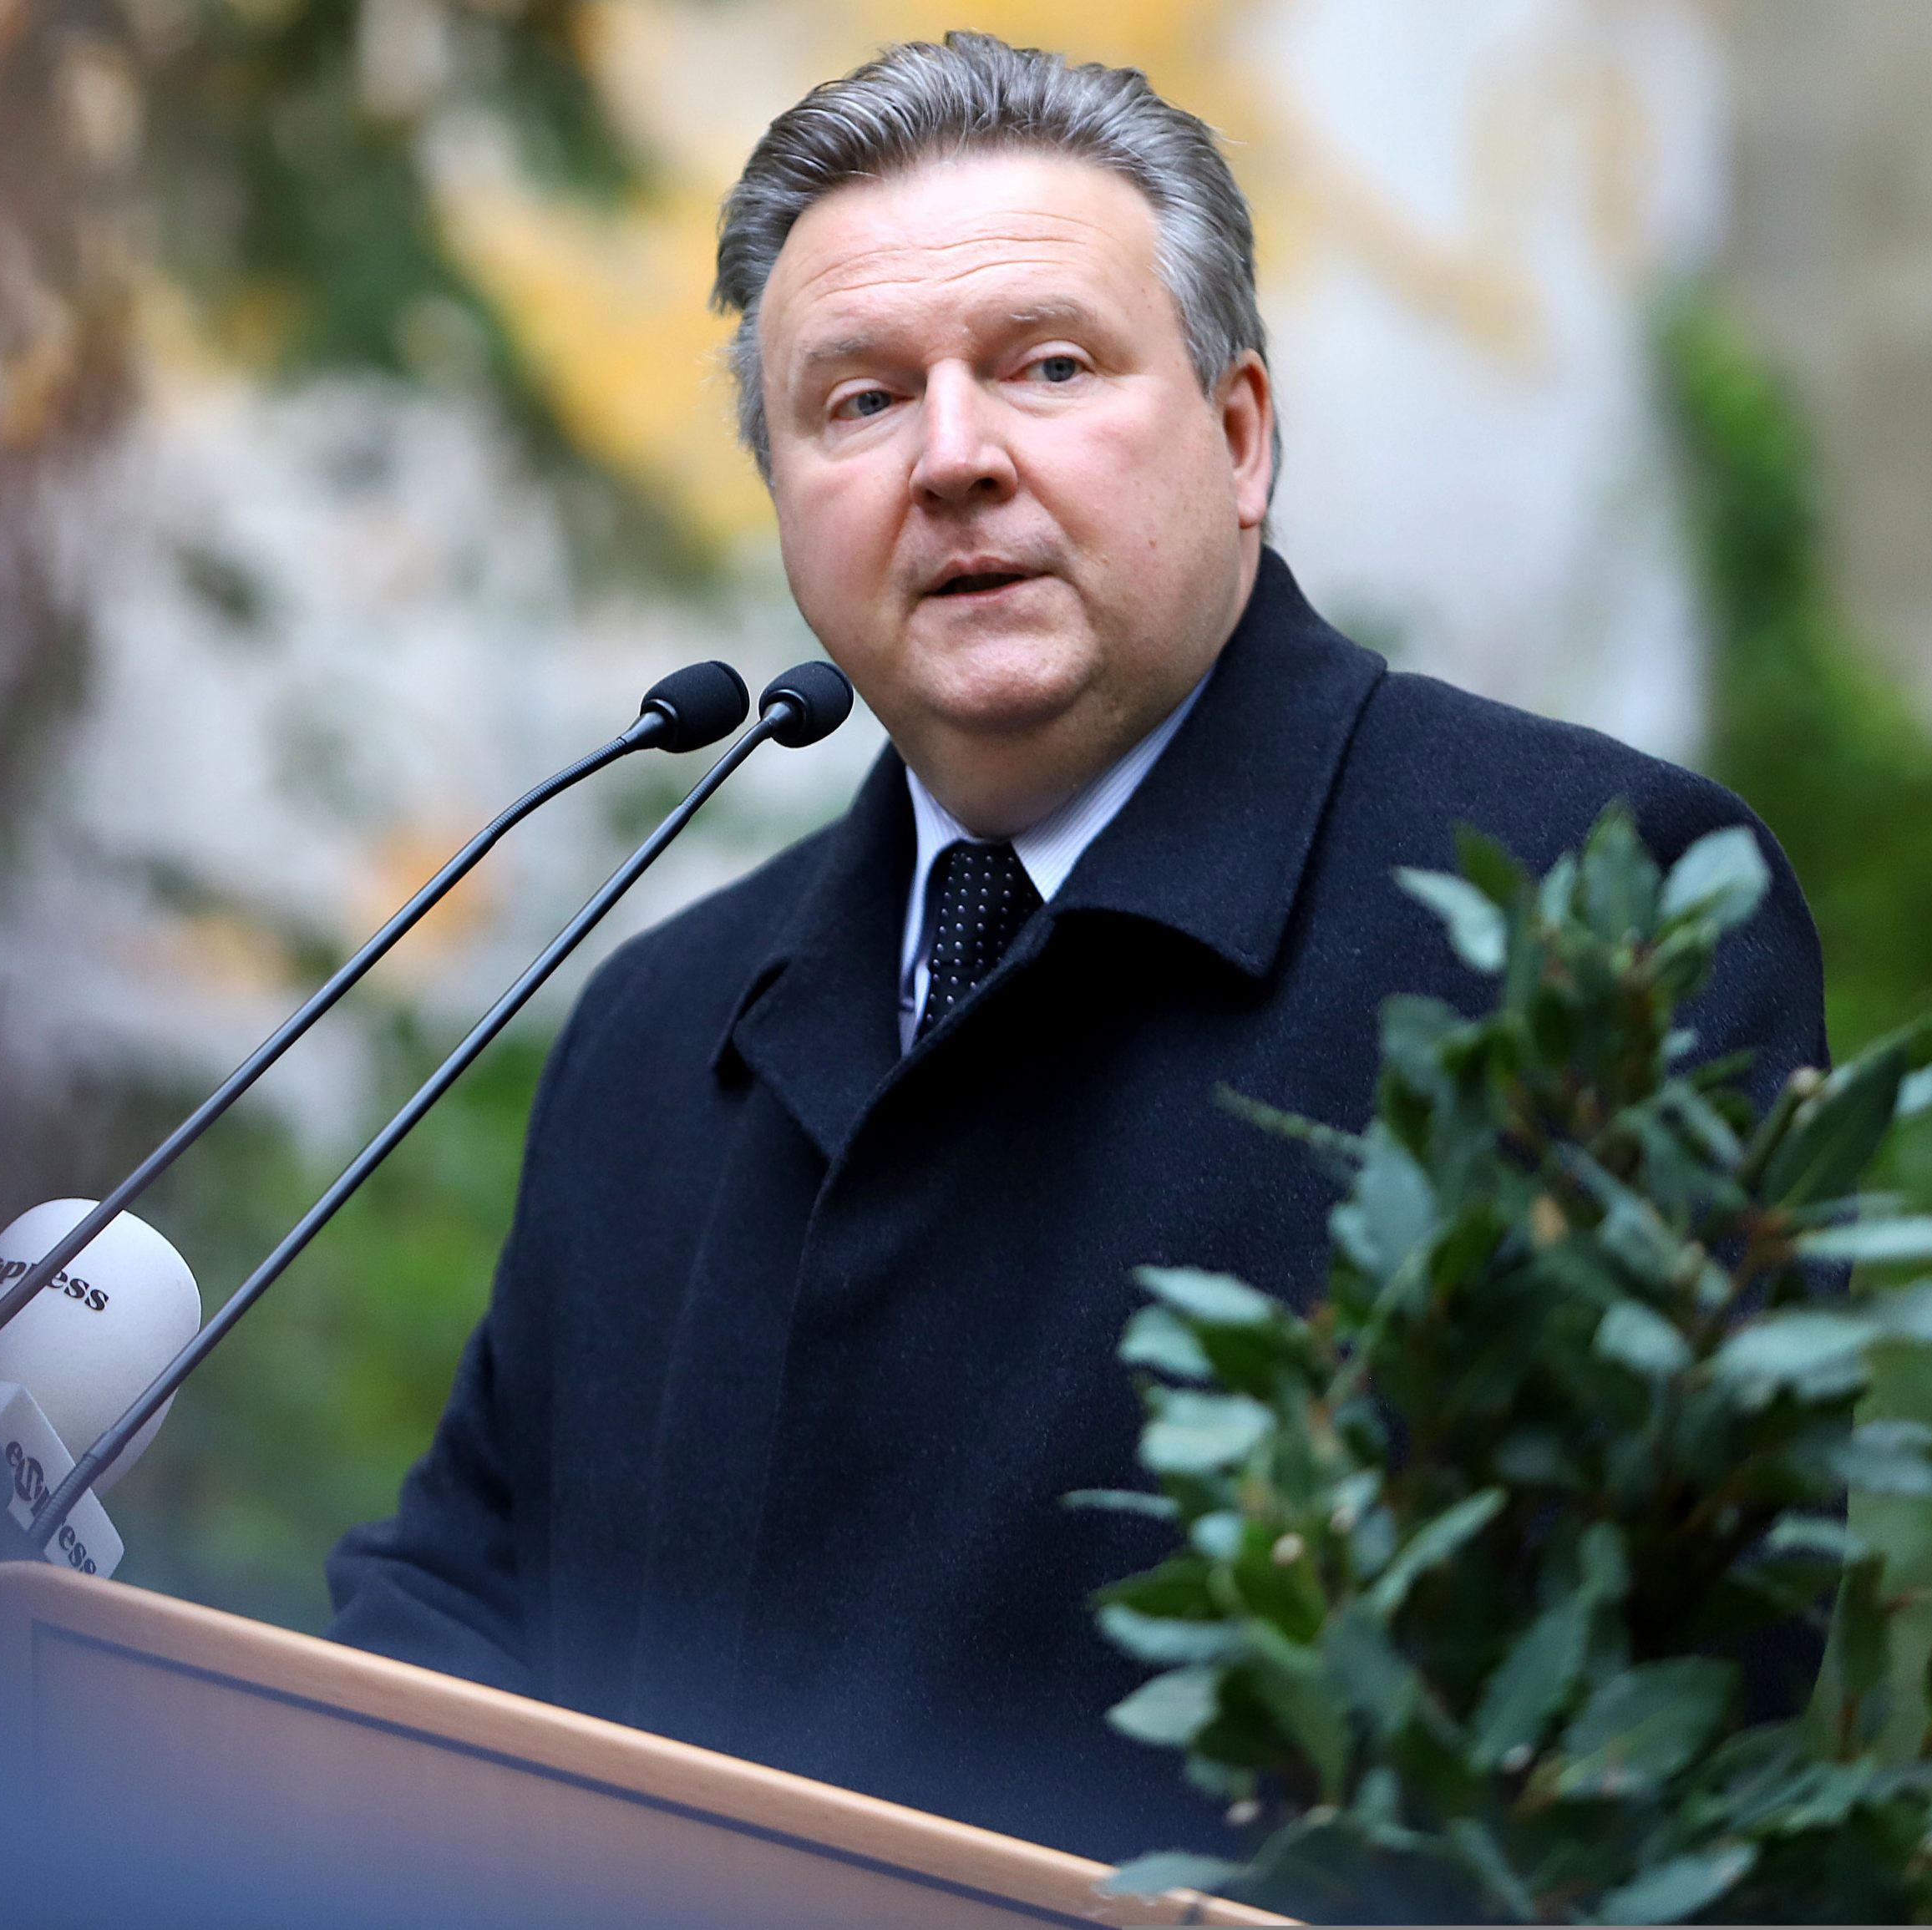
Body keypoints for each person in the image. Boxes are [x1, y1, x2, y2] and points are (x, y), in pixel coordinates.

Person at [327, 32, 1825, 1867]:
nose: (950, 458)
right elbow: (459, 1619)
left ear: (1237, 431)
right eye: (855, 401)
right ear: (785, 496)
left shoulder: (1575, 903)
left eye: (1045, 366)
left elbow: (1649, 1718)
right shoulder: (667, 1023)